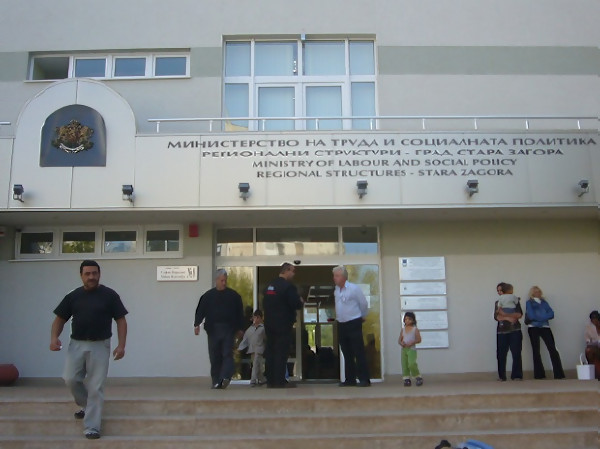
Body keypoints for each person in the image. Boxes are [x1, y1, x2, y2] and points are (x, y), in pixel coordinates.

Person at [49, 260, 128, 440]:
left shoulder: (110, 295)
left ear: (99, 274)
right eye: (87, 274)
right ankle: (88, 405)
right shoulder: (73, 296)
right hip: (76, 345)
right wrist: (54, 338)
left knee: (96, 386)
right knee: (70, 379)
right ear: (81, 275)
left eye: (94, 273)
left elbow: (121, 320)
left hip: (100, 345)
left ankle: (92, 427)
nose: (91, 277)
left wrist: (121, 345)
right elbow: (59, 319)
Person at [194, 269, 244, 389]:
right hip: (213, 330)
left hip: (228, 329)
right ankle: (216, 381)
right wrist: (197, 324)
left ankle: (225, 377)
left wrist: (240, 328)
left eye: (225, 280)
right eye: (221, 280)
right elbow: (200, 311)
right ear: (216, 280)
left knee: (227, 353)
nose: (224, 283)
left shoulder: (234, 296)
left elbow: (239, 313)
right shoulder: (208, 296)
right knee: (215, 356)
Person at [262, 262, 303, 388]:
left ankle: (270, 381)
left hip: (269, 324)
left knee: (270, 351)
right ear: (286, 271)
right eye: (293, 271)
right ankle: (279, 381)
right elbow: (295, 303)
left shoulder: (269, 286)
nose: (294, 274)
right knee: (281, 352)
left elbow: (264, 303)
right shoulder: (288, 287)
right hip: (283, 324)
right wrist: (300, 301)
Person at [333, 265, 371, 387]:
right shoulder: (336, 290)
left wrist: (362, 316)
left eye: (337, 276)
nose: (334, 278)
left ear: (344, 277)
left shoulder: (354, 289)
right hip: (341, 323)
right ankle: (350, 379)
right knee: (346, 352)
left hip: (353, 322)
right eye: (334, 276)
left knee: (358, 351)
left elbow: (363, 303)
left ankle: (364, 379)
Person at [525, 286, 565, 379]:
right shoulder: (529, 302)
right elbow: (531, 315)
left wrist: (540, 318)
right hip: (533, 327)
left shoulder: (544, 302)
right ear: (532, 293)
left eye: (539, 291)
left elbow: (551, 313)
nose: (538, 293)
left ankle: (559, 374)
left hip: (545, 327)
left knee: (552, 349)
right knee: (536, 350)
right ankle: (539, 374)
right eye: (536, 291)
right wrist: (543, 317)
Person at [494, 282, 523, 381]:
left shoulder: (515, 301)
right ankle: (502, 376)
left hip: (515, 330)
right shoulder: (497, 302)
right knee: (501, 354)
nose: (499, 292)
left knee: (516, 353)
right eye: (498, 291)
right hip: (502, 331)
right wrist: (509, 318)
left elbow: (519, 314)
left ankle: (517, 375)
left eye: (500, 290)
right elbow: (497, 317)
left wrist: (505, 315)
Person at [238, 309, 267, 386]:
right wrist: (239, 348)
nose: (255, 319)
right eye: (254, 317)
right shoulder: (250, 329)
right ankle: (262, 379)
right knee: (256, 366)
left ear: (260, 318)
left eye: (257, 317)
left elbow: (266, 339)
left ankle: (253, 380)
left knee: (255, 364)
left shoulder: (263, 328)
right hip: (252, 349)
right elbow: (245, 339)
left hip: (259, 349)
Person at [398, 311, 423, 386]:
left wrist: (412, 342)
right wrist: (401, 343)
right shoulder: (403, 330)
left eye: (409, 319)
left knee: (411, 363)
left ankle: (418, 376)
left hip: (411, 349)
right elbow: (399, 340)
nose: (407, 321)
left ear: (413, 320)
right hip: (404, 349)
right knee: (404, 364)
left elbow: (419, 339)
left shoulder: (415, 329)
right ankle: (406, 379)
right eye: (405, 319)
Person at [584, 310, 600, 380]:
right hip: (595, 347)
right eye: (592, 320)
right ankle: (595, 374)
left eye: (596, 319)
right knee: (589, 351)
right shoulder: (589, 327)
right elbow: (587, 340)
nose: (594, 321)